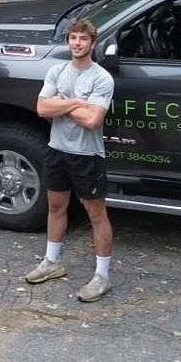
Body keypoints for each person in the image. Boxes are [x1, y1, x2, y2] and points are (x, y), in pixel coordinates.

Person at [24, 18, 116, 302]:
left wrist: (62, 104)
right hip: (57, 149)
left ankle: (102, 276)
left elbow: (92, 120)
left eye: (83, 39)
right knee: (55, 206)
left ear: (92, 43)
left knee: (95, 213)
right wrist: (77, 102)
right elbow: (41, 108)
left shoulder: (101, 78)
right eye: (73, 38)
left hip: (86, 155)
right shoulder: (56, 70)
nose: (77, 43)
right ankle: (52, 261)